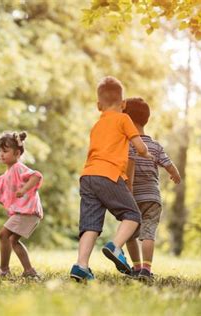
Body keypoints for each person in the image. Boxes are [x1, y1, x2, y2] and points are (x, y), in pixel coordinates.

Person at [69, 76, 152, 282]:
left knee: (90, 225)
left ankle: (81, 266)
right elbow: (140, 147)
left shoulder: (97, 125)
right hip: (109, 175)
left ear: (99, 105)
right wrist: (147, 153)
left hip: (88, 176)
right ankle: (115, 246)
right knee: (133, 216)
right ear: (123, 104)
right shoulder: (124, 119)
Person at [123, 97, 181, 279]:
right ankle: (146, 270)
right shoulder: (155, 146)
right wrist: (175, 174)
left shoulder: (127, 144)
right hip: (152, 198)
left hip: (132, 197)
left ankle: (137, 267)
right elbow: (169, 164)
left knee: (130, 235)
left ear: (127, 120)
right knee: (148, 233)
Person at [0, 132, 43, 278]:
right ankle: (29, 270)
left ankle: (4, 269)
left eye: (5, 151)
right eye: (0, 151)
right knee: (12, 240)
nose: (1, 154)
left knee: (3, 235)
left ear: (17, 153)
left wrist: (24, 189)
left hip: (28, 212)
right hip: (27, 212)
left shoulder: (18, 167)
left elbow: (36, 176)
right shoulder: (9, 171)